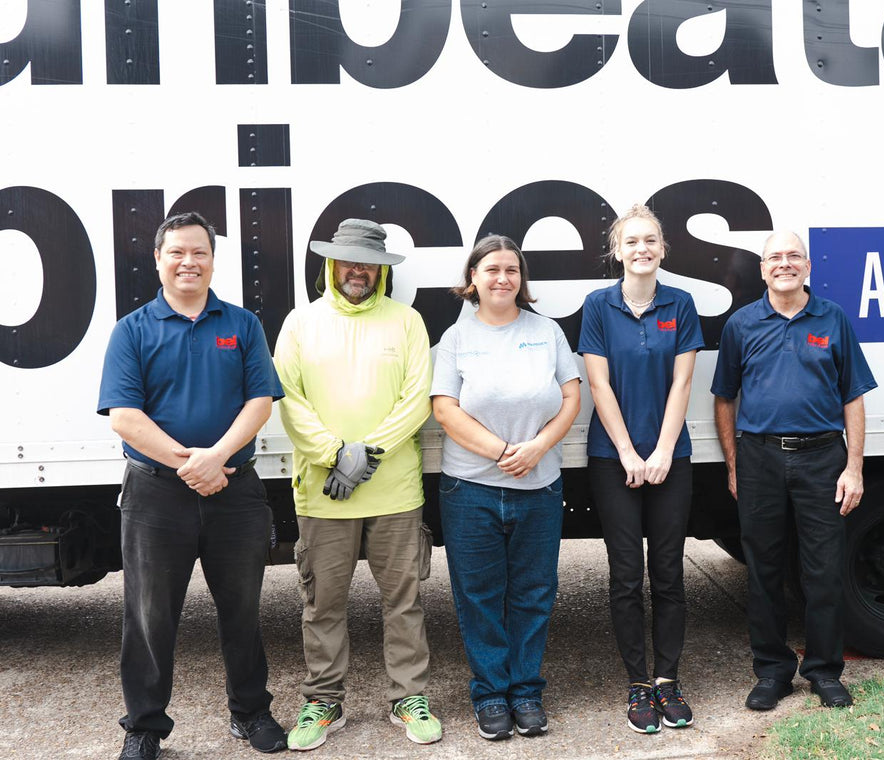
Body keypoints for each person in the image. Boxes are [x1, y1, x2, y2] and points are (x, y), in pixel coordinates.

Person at [97, 212, 287, 760]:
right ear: (158, 260)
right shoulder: (132, 329)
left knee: (243, 609)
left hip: (236, 491)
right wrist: (192, 465)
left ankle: (250, 713)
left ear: (212, 259)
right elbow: (124, 417)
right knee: (149, 615)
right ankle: (145, 727)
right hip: (155, 495)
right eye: (177, 252)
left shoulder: (243, 324)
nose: (188, 262)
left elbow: (260, 401)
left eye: (199, 252)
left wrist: (218, 457)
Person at [273, 219, 441, 749]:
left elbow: (416, 400)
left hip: (393, 490)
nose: (357, 270)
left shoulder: (407, 322)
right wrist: (331, 454)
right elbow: (287, 399)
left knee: (404, 601)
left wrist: (365, 455)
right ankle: (324, 702)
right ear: (330, 265)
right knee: (323, 603)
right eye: (348, 261)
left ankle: (408, 699)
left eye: (367, 263)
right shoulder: (301, 323)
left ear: (381, 270)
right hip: (323, 493)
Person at [712, 231, 876, 711]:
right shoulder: (742, 324)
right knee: (763, 569)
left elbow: (853, 396)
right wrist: (734, 463)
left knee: (823, 570)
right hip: (759, 457)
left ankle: (825, 671)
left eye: (793, 256)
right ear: (762, 270)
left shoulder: (832, 319)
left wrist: (855, 468)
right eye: (774, 258)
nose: (784, 264)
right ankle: (772, 672)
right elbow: (724, 398)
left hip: (823, 456)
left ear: (808, 266)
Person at [430, 234, 580, 741]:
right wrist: (501, 452)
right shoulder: (456, 338)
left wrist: (537, 448)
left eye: (512, 270)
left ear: (522, 279)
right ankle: (491, 693)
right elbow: (445, 409)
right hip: (470, 488)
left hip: (539, 484)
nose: (502, 278)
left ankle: (527, 691)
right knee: (479, 595)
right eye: (491, 269)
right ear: (472, 278)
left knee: (535, 593)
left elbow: (571, 397)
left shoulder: (547, 331)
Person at [579, 205, 703, 733]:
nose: (641, 249)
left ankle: (668, 680)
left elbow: (682, 384)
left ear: (662, 248)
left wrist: (662, 452)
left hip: (671, 458)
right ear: (617, 250)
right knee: (627, 576)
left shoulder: (682, 303)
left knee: (669, 573)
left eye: (650, 240)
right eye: (631, 241)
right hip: (614, 460)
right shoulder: (597, 306)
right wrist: (630, 453)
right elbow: (599, 386)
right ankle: (637, 684)